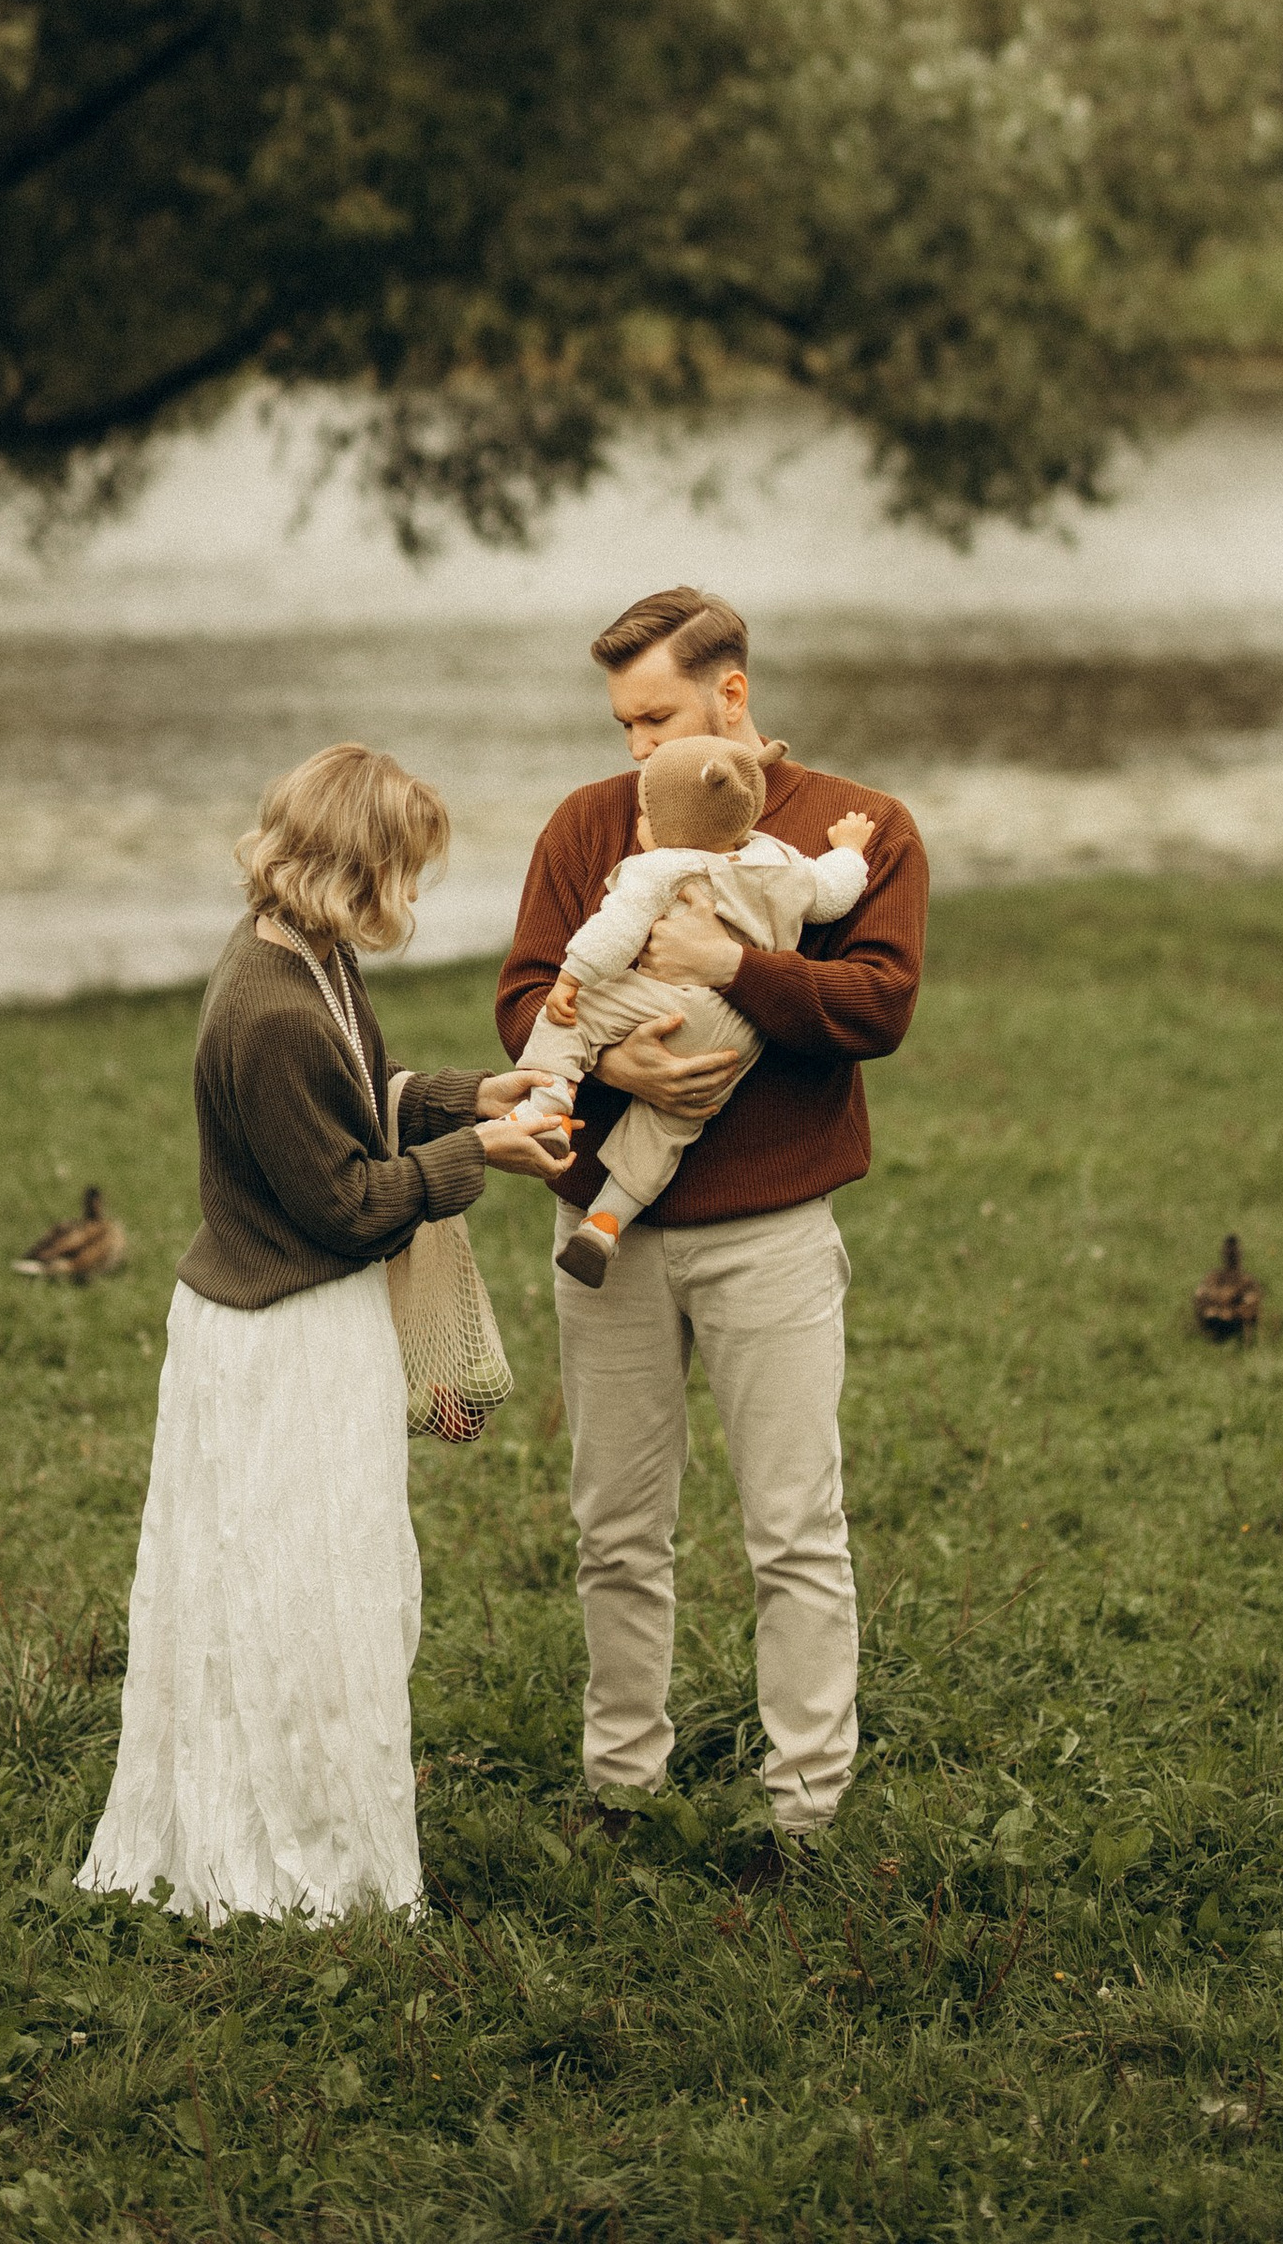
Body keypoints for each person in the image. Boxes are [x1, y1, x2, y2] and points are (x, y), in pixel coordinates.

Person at [80, 742, 566, 1925]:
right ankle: (293, 1863)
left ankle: (318, 1821)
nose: (414, 892)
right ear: (356, 868)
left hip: (297, 1317)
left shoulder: (311, 960)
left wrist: (470, 1096)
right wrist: (477, 1159)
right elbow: (345, 1204)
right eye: (405, 867)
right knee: (295, 1592)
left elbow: (369, 1089)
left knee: (332, 1582)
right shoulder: (270, 1007)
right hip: (279, 1336)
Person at [496, 587, 926, 1849]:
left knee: (794, 1525)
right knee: (615, 1525)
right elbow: (529, 987)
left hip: (769, 1227)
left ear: (730, 696)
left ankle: (806, 1811)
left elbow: (879, 1005)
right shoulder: (588, 824)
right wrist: (615, 1068)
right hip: (604, 1233)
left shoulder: (862, 829)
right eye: (623, 722)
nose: (636, 750)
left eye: (657, 717)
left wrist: (734, 969)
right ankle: (621, 1788)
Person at [509, 731, 874, 1286]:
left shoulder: (661, 866)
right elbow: (834, 892)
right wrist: (849, 848)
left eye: (646, 814)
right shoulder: (781, 862)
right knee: (671, 1125)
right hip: (737, 1032)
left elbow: (615, 930)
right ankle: (605, 1224)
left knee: (572, 1015)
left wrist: (573, 976)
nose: (638, 825)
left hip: (665, 1000)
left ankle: (550, 1106)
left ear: (672, 825)